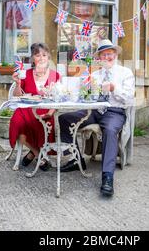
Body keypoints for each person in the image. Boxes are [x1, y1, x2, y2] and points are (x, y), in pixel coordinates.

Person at [59, 39, 135, 197]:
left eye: (110, 54)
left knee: (110, 130)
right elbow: (86, 96)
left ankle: (107, 177)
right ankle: (75, 159)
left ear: (115, 55)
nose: (107, 57)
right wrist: (83, 91)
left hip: (114, 111)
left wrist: (114, 88)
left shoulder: (125, 73)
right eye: (103, 55)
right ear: (99, 58)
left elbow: (128, 99)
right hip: (93, 110)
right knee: (64, 119)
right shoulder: (94, 75)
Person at [9, 43, 60, 171]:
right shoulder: (25, 74)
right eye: (38, 55)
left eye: (44, 55)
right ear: (32, 59)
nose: (42, 58)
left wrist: (50, 112)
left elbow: (58, 99)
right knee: (17, 122)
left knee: (44, 122)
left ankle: (32, 154)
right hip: (26, 109)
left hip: (46, 110)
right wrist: (18, 83)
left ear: (48, 57)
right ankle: (39, 155)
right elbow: (17, 96)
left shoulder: (55, 75)